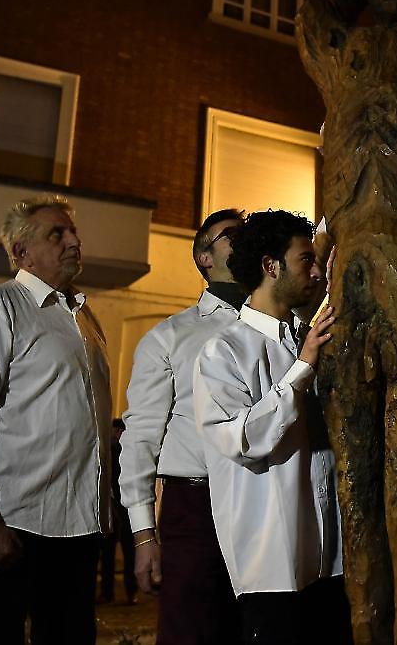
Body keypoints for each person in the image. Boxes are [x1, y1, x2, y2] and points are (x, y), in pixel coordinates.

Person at [0, 193, 111, 645]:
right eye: (58, 234)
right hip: (9, 524)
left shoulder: (82, 317)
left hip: (74, 528)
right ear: (21, 252)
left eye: (73, 232)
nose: (74, 241)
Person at [192, 210, 349, 645]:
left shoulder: (307, 336)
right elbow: (244, 439)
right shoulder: (222, 351)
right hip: (272, 563)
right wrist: (301, 372)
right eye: (305, 260)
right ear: (270, 266)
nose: (316, 272)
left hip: (331, 557)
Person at [119, 208, 245, 644]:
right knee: (190, 629)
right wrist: (142, 536)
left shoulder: (284, 329)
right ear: (203, 258)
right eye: (230, 234)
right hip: (195, 504)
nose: (243, 238)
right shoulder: (169, 336)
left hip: (265, 499)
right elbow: (140, 437)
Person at [100, 419, 137, 605]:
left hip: (124, 508)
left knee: (128, 552)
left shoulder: (121, 451)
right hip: (115, 508)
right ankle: (109, 592)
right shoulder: (109, 451)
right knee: (109, 554)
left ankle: (129, 591)